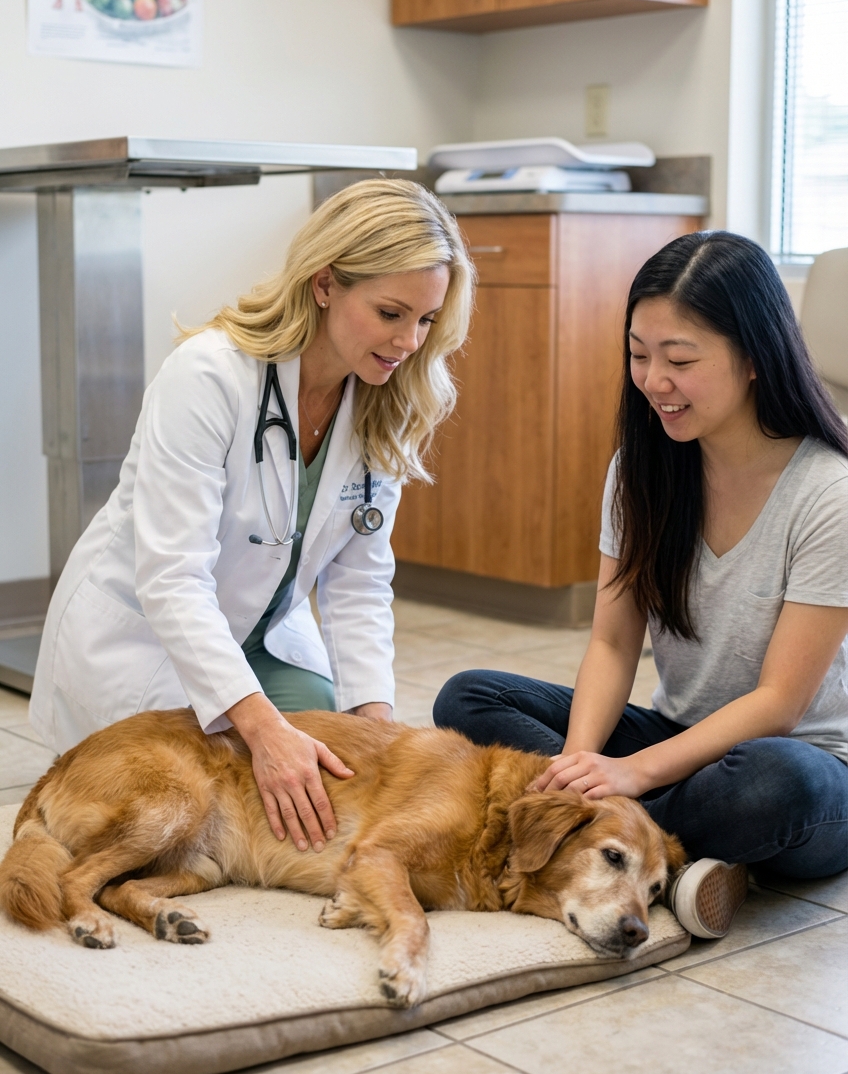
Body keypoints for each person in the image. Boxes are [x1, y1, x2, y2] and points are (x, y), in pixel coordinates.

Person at [31, 179, 474, 854]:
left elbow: (357, 585)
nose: (409, 341)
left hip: (263, 634)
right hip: (146, 636)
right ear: (325, 283)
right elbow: (173, 581)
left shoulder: (388, 402)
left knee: (325, 785)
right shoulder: (207, 378)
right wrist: (264, 731)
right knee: (190, 802)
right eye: (390, 313)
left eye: (425, 320)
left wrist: (380, 729)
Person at [434, 231, 848, 940]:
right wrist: (579, 766)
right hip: (682, 737)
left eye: (680, 359)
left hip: (802, 762)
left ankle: (635, 841)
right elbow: (611, 640)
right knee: (468, 697)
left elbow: (780, 704)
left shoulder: (829, 490)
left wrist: (631, 776)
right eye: (639, 353)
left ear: (754, 359)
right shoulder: (642, 469)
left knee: (774, 786)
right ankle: (673, 858)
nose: (654, 379)